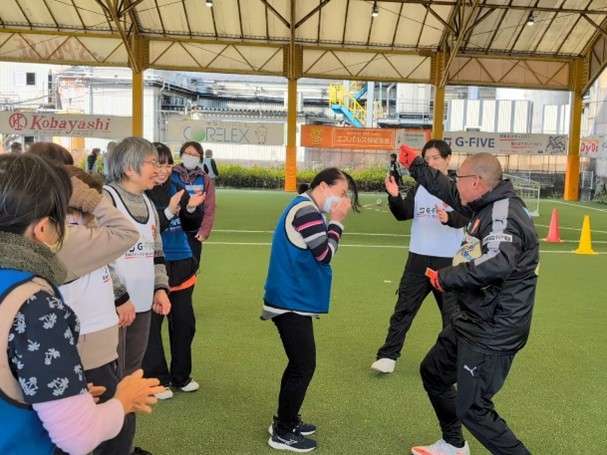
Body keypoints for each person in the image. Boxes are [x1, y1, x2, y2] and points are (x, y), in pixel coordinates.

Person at [0, 153, 164, 454]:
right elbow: (78, 437)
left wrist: (64, 398)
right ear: (42, 229)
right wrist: (124, 399)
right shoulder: (35, 306)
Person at [399, 146, 539, 455]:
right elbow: (447, 189)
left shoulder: (503, 213)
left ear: (475, 181)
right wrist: (417, 165)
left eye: (458, 178)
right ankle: (453, 444)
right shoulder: (482, 203)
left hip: (494, 328)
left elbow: (498, 261)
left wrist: (446, 277)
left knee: (474, 408)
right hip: (471, 318)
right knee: (434, 373)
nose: (454, 183)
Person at [263, 168, 359, 453]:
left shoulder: (306, 207)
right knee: (303, 365)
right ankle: (282, 431)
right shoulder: (306, 211)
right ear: (323, 186)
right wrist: (337, 221)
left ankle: (286, 421)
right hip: (289, 300)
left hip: (292, 298)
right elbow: (324, 254)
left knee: (300, 364)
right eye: (341, 192)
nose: (342, 199)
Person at [58, 166, 142, 455]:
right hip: (88, 349)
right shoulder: (68, 238)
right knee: (110, 427)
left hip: (96, 345)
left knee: (109, 423)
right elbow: (127, 232)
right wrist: (93, 201)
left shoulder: (76, 233)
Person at [372, 141, 467, 375]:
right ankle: (388, 356)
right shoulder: (419, 188)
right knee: (403, 310)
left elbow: (466, 216)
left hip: (449, 262)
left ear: (448, 159)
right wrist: (395, 196)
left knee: (453, 317)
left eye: (436, 158)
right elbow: (403, 214)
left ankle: (453, 363)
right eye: (427, 159)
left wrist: (450, 218)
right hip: (418, 259)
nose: (431, 163)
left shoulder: (457, 189)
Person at [104, 137, 172, 455]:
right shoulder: (106, 200)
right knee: (109, 381)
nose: (158, 169)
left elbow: (156, 252)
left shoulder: (148, 203)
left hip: (141, 307)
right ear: (130, 168)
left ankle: (124, 446)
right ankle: (107, 447)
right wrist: (120, 298)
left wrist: (160, 288)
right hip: (112, 310)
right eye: (152, 163)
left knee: (131, 378)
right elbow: (98, 257)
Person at [142, 143, 206, 399]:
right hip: (153, 266)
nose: (163, 170)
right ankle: (157, 380)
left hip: (182, 263)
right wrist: (169, 211)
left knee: (184, 324)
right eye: (158, 164)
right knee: (151, 328)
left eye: (168, 165)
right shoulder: (140, 194)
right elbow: (149, 229)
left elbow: (191, 224)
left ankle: (181, 376)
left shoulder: (178, 187)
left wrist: (190, 209)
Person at [171, 141, 216, 268]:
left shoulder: (205, 179)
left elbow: (209, 207)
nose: (190, 157)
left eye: (195, 155)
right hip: (171, 230)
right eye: (188, 153)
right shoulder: (171, 174)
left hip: (193, 233)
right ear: (181, 154)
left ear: (200, 158)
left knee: (192, 267)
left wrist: (204, 230)